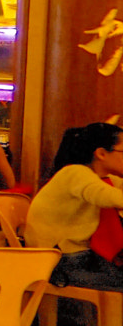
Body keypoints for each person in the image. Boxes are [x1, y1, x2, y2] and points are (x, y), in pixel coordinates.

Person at [28, 122, 123, 290]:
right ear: (101, 153)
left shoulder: (102, 178)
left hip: (81, 256)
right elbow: (105, 196)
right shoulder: (74, 173)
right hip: (57, 261)